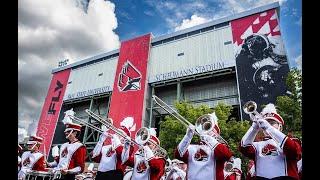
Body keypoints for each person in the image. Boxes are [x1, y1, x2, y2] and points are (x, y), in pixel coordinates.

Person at [239, 103, 302, 180]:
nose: (267, 124)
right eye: (266, 122)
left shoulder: (292, 140)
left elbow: (294, 150)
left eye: (272, 123)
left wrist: (269, 128)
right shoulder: (257, 145)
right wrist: (254, 127)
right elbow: (243, 147)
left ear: (280, 127)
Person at [174, 112, 233, 180]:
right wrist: (187, 136)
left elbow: (226, 155)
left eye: (212, 130)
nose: (208, 132)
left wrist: (209, 139)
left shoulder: (220, 147)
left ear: (216, 134)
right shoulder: (191, 147)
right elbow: (178, 154)